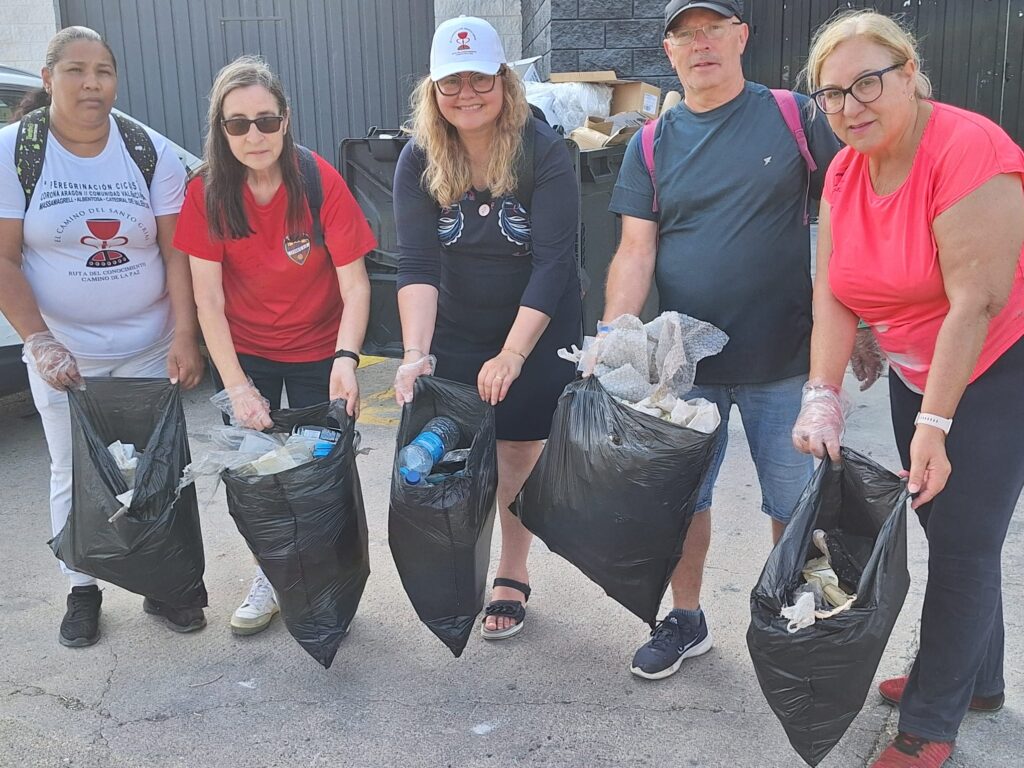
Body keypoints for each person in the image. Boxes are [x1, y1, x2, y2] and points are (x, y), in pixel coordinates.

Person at [793, 10, 1024, 767]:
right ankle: (978, 680)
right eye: (831, 93)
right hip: (915, 367)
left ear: (912, 73)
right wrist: (821, 392)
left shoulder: (969, 150)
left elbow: (975, 302)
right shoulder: (845, 169)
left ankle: (930, 725)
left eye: (868, 82)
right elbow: (832, 291)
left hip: (996, 363)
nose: (849, 105)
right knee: (947, 528)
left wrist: (936, 424)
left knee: (960, 546)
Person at [604, 0, 841, 680]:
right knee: (684, 502)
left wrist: (857, 318)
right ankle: (685, 618)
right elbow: (634, 252)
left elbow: (852, 211)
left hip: (784, 359)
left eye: (713, 30)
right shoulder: (651, 142)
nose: (701, 44)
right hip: (686, 370)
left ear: (741, 37)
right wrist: (618, 336)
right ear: (669, 53)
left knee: (795, 504)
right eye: (686, 35)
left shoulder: (795, 115)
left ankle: (791, 618)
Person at [0, 26, 205, 647]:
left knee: (153, 469)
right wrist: (39, 341)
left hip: (147, 345)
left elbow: (177, 253)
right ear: (48, 78)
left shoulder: (148, 152)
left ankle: (158, 583)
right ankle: (81, 586)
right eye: (76, 70)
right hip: (67, 356)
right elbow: (5, 259)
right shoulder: (15, 152)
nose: (92, 83)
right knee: (73, 469)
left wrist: (185, 335)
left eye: (104, 71)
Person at [173, 56, 376, 637]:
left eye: (265, 120)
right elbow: (206, 301)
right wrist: (236, 387)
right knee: (258, 473)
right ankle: (271, 573)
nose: (253, 135)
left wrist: (347, 359)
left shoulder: (317, 181)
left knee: (321, 467)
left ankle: (329, 580)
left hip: (319, 346)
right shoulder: (207, 192)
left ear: (285, 121)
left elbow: (355, 282)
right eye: (237, 124)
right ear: (221, 129)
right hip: (247, 350)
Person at [393, 16, 581, 639]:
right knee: (456, 448)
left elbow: (556, 262)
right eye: (452, 83)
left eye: (480, 80)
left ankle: (512, 568)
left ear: (504, 82)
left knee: (517, 449)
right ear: (433, 91)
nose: (467, 94)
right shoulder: (419, 156)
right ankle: (456, 560)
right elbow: (417, 265)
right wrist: (415, 352)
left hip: (536, 322)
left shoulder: (542, 151)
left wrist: (513, 354)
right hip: (457, 323)